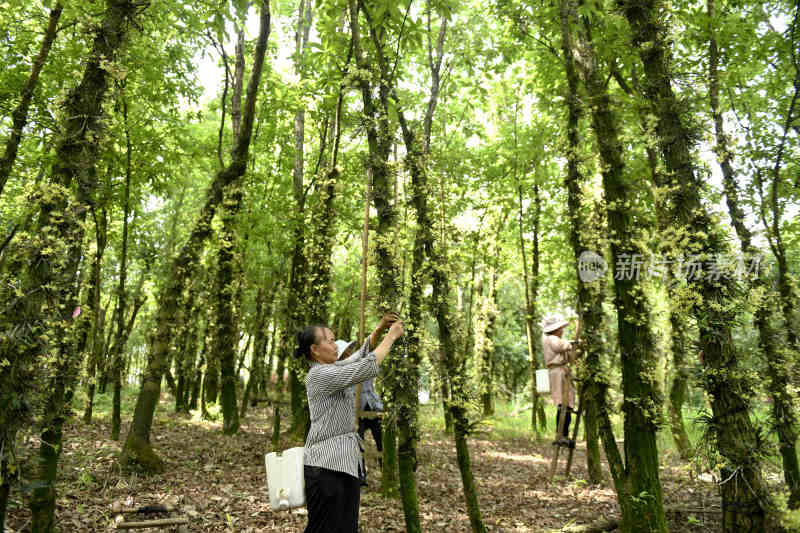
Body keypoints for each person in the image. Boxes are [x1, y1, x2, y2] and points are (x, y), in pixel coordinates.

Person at [296, 313, 403, 533]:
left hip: (346, 462)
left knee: (347, 527)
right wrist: (390, 338)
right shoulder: (319, 375)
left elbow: (358, 357)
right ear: (315, 350)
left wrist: (380, 329)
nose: (336, 345)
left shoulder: (334, 369)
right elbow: (364, 367)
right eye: (329, 340)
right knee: (323, 528)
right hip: (324, 465)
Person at [542, 315, 580, 447]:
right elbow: (561, 347)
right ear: (556, 329)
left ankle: (564, 434)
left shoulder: (557, 340)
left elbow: (569, 357)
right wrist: (572, 343)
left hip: (563, 371)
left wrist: (577, 349)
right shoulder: (551, 339)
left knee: (568, 404)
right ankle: (560, 435)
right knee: (562, 404)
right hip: (557, 372)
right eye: (561, 328)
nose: (562, 330)